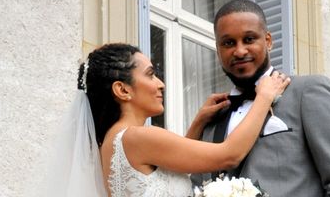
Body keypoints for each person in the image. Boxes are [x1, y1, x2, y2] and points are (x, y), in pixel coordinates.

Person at [44, 42, 290, 197]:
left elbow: (164, 170)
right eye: (150, 75)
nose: (160, 84)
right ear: (123, 90)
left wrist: (197, 124)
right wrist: (264, 97)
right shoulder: (138, 136)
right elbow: (229, 154)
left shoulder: (110, 143)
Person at [191, 0, 330, 197]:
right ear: (218, 50)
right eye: (229, 43)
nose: (240, 51)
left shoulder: (308, 91)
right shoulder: (212, 119)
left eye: (249, 39)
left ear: (268, 41)